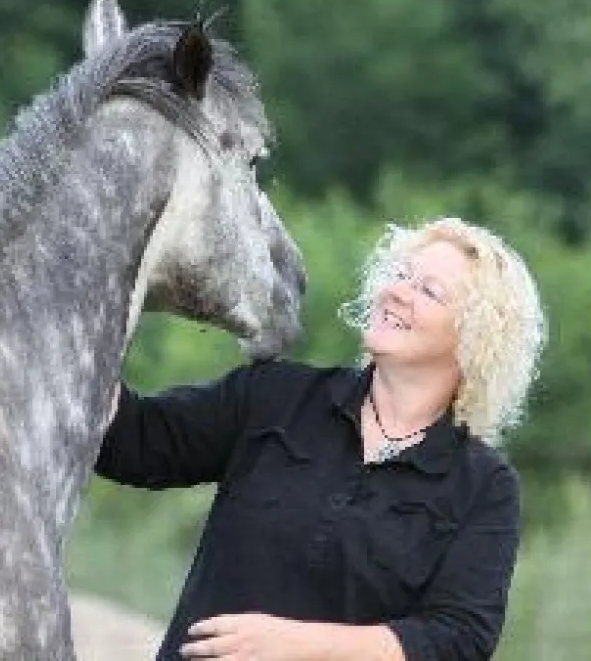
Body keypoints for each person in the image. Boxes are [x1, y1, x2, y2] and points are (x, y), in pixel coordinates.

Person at [94, 216, 547, 660]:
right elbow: (133, 440)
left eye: (428, 290)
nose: (396, 292)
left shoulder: (484, 486)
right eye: (399, 275)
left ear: (475, 337)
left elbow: (459, 640)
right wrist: (62, 336)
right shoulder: (275, 396)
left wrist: (295, 646)